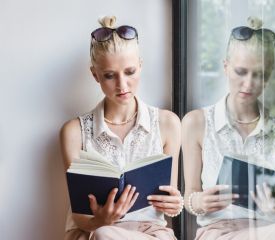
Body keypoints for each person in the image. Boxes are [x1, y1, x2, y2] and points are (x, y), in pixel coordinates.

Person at [182, 17, 275, 240]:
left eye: (258, 74)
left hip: (270, 231)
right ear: (226, 66)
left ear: (268, 76)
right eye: (241, 71)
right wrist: (199, 201)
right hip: (219, 232)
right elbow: (189, 195)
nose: (249, 84)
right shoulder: (197, 123)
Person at [60, 16, 183, 240]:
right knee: (105, 234)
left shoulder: (168, 124)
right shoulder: (73, 132)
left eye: (130, 72)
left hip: (149, 233)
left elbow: (168, 201)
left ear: (140, 66)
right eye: (109, 76)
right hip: (94, 232)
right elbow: (78, 215)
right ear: (95, 75)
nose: (122, 85)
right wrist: (101, 220)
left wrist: (175, 204)